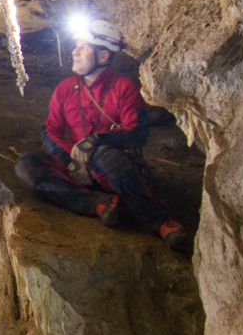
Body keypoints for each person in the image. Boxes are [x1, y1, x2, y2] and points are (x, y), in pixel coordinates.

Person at [16, 16, 192, 255]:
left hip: (114, 170)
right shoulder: (66, 89)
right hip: (77, 169)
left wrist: (98, 140)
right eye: (76, 46)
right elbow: (50, 129)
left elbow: (136, 134)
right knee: (28, 166)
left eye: (83, 48)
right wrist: (68, 156)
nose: (75, 52)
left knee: (106, 155)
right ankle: (99, 203)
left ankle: (158, 220)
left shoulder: (123, 89)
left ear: (103, 56)